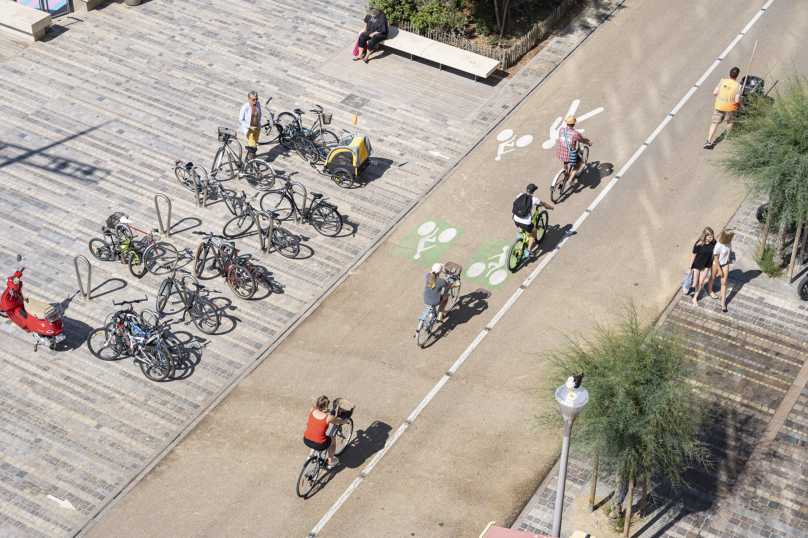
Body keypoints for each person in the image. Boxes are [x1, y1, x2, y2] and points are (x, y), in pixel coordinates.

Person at [304, 396, 350, 469]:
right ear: (326, 406)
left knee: (314, 432)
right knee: (333, 440)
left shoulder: (312, 410)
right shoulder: (329, 417)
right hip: (319, 444)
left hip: (306, 439)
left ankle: (311, 455)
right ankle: (330, 462)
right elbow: (339, 421)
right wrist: (346, 421)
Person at [512, 183, 554, 258]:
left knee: (522, 217)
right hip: (525, 223)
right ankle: (528, 251)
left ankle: (520, 232)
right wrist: (550, 207)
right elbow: (544, 203)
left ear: (526, 189)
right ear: (533, 192)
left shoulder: (520, 195)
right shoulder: (534, 199)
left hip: (515, 218)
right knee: (534, 231)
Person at [704, 67, 742, 149]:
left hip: (719, 106)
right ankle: (727, 136)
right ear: (737, 76)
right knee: (730, 121)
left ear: (730, 74)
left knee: (714, 123)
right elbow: (737, 100)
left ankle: (708, 140)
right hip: (731, 108)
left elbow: (714, 93)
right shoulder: (738, 86)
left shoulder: (722, 81)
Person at [556, 115, 592, 185]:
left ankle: (564, 171)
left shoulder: (561, 130)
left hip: (559, 153)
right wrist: (588, 143)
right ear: (574, 124)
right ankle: (570, 180)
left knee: (564, 156)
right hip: (569, 156)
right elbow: (583, 140)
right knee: (579, 163)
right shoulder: (576, 134)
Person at [686, 227, 716, 307]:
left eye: (712, 236)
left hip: (706, 265)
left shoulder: (713, 242)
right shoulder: (698, 244)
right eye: (710, 237)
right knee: (694, 283)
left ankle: (694, 298)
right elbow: (693, 256)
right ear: (705, 236)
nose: (712, 238)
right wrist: (689, 268)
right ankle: (686, 284)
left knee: (701, 282)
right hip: (697, 265)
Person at [708, 229, 734, 313]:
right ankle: (710, 290)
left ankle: (723, 302)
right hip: (716, 263)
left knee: (724, 282)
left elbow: (729, 251)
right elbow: (716, 258)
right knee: (713, 276)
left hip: (725, 263)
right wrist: (719, 269)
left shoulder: (729, 242)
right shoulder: (719, 245)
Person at [239, 91, 261, 161]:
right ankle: (253, 163)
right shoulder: (245, 108)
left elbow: (259, 114)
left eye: (256, 99)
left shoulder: (258, 104)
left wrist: (259, 124)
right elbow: (241, 120)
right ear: (249, 99)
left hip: (257, 128)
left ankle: (248, 158)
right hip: (249, 130)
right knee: (254, 147)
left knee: (252, 145)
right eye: (253, 100)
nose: (255, 101)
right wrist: (249, 126)